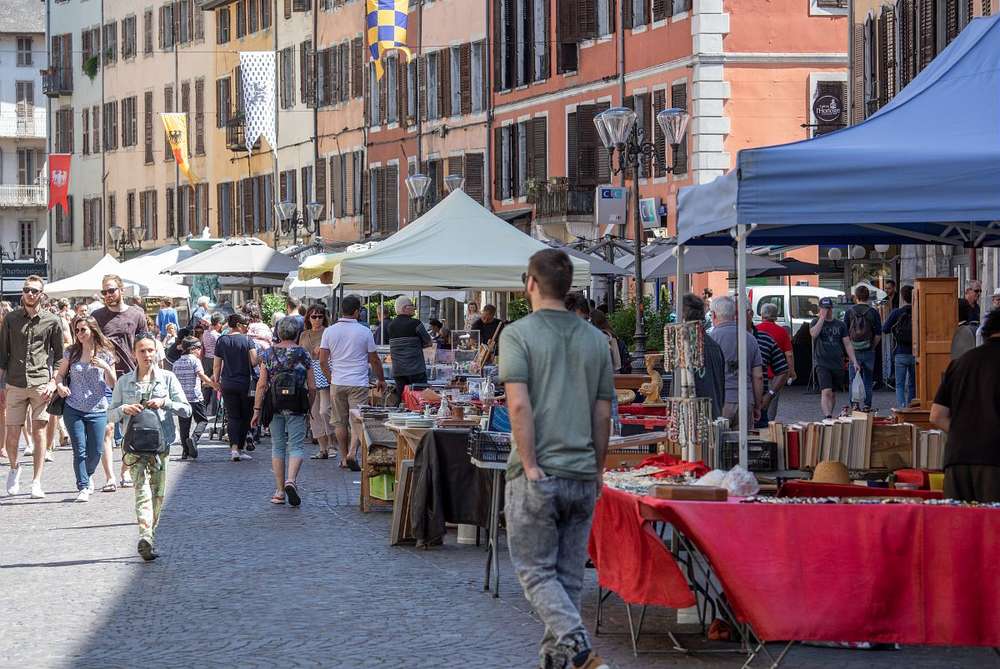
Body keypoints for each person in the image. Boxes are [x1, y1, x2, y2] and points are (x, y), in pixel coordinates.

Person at [500, 249, 613, 669]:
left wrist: (529, 465)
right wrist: (598, 469)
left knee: (535, 575)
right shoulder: (596, 339)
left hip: (539, 471)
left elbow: (518, 407)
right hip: (583, 471)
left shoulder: (518, 334)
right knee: (567, 580)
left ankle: (579, 648)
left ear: (530, 283)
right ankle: (556, 661)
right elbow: (603, 413)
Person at [109, 335, 191, 561]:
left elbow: (186, 410)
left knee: (158, 494)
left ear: (157, 353)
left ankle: (150, 536)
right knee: (142, 491)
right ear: (134, 354)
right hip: (134, 448)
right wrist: (124, 408)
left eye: (150, 351)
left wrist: (165, 403)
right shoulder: (124, 382)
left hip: (161, 445)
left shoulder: (168, 378)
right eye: (142, 351)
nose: (147, 355)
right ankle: (145, 535)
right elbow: (110, 414)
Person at [0, 276, 65, 499]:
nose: (30, 294)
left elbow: (59, 357)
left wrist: (53, 382)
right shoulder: (10, 319)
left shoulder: (52, 320)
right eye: (27, 290)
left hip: (40, 385)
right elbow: (2, 355)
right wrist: (1, 385)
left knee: (39, 434)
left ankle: (36, 481)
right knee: (11, 436)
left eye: (34, 291)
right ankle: (14, 467)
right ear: (22, 292)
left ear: (41, 294)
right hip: (15, 383)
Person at [930, 309, 1000, 502]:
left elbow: (936, 415)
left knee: (959, 527)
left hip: (957, 458)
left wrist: (965, 433)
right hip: (994, 461)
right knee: (992, 528)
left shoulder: (960, 363)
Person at [93, 274, 149, 490]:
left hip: (130, 377)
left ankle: (125, 470)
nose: (108, 295)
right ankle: (109, 477)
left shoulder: (137, 314)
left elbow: (146, 344)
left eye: (112, 290)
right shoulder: (96, 316)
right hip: (104, 378)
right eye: (105, 292)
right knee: (107, 428)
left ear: (121, 290)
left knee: (129, 429)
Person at [52, 316, 117, 502]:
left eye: (83, 330)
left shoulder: (105, 353)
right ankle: (83, 485)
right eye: (77, 330)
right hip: (73, 407)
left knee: (96, 450)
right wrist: (60, 386)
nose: (80, 333)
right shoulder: (71, 352)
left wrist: (105, 367)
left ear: (93, 330)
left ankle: (87, 474)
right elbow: (59, 375)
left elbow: (112, 384)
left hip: (98, 408)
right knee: (79, 449)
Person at [251, 318, 313, 506]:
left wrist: (256, 410)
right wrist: (310, 407)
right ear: (297, 333)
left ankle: (279, 491)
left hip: (274, 403)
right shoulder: (303, 354)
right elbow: (312, 386)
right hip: (297, 404)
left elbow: (261, 385)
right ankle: (291, 480)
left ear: (278, 333)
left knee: (277, 446)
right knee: (296, 446)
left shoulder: (268, 354)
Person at [320, 296, 386, 468]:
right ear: (357, 311)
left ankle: (343, 457)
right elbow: (374, 359)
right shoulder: (364, 332)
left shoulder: (330, 331)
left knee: (339, 422)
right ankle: (352, 452)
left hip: (338, 381)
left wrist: (331, 378)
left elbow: (322, 361)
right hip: (358, 382)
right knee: (356, 420)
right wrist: (381, 379)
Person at [708, 296, 763, 428]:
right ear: (734, 314)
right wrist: (758, 405)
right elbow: (758, 376)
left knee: (718, 445)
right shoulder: (750, 338)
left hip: (720, 401)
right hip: (745, 400)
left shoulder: (710, 340)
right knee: (744, 445)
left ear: (714, 315)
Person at [213, 313, 259, 461]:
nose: (247, 328)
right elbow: (253, 361)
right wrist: (262, 356)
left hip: (227, 382)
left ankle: (233, 450)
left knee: (232, 416)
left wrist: (217, 382)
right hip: (245, 383)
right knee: (245, 416)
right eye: (246, 325)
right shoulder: (247, 340)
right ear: (239, 325)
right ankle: (240, 447)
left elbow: (217, 364)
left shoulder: (222, 340)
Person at [810, 296, 861, 419]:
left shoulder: (840, 325)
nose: (827, 311)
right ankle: (827, 415)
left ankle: (830, 414)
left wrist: (854, 361)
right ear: (820, 309)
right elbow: (813, 334)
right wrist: (822, 318)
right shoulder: (815, 322)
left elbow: (847, 344)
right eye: (824, 308)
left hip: (837, 362)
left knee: (832, 394)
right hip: (822, 362)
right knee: (825, 391)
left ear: (832, 308)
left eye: (828, 308)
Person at [171, 336, 216, 459]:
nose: (200, 351)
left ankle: (185, 452)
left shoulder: (176, 363)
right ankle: (194, 439)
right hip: (195, 397)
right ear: (193, 349)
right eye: (199, 348)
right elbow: (201, 375)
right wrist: (214, 385)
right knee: (203, 420)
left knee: (184, 425)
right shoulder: (195, 361)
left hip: (181, 399)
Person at [682, 294, 725, 419]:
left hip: (694, 418)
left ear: (683, 316)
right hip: (713, 412)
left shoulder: (686, 347)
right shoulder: (714, 346)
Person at [300, 305, 334, 460]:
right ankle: (322, 448)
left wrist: (323, 352)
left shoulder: (329, 332)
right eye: (313, 316)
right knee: (314, 413)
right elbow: (300, 354)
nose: (317, 319)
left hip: (325, 372)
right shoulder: (304, 334)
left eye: (320, 316)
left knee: (324, 410)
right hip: (309, 375)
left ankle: (332, 444)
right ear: (308, 318)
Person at [748, 308, 790, 429]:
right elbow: (788, 355)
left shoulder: (764, 337)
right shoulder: (778, 332)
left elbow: (782, 368)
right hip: (743, 401)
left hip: (759, 401)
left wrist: (769, 394)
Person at [844, 285, 882, 410]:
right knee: (868, 380)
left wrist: (849, 350)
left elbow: (845, 335)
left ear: (856, 297)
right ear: (868, 296)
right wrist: (872, 347)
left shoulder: (849, 312)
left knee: (853, 379)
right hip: (868, 350)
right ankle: (867, 405)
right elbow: (878, 334)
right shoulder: (873, 312)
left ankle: (854, 405)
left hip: (854, 351)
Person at [882, 284, 916, 409]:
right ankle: (912, 408)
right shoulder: (918, 310)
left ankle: (902, 408)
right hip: (915, 352)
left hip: (899, 352)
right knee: (913, 384)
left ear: (901, 297)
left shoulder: (896, 312)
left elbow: (885, 329)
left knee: (900, 385)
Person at [386, 296, 432, 388]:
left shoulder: (390, 326)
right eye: (412, 305)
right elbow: (429, 342)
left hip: (398, 371)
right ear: (404, 308)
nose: (414, 308)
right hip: (416, 370)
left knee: (402, 397)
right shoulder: (416, 323)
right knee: (419, 397)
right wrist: (417, 345)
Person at [756, 303, 796, 391]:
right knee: (771, 401)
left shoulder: (755, 330)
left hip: (757, 373)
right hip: (775, 375)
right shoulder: (782, 332)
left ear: (762, 315)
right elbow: (789, 354)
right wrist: (792, 372)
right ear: (776, 316)